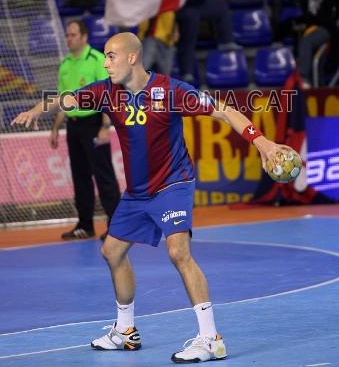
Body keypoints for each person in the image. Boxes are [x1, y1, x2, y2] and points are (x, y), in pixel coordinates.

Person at [12, 32, 287, 363]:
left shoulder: (170, 91)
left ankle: (210, 338)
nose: (105, 62)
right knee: (111, 253)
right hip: (138, 193)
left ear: (132, 58)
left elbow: (224, 111)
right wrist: (35, 109)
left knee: (178, 251)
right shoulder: (106, 92)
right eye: (105, 56)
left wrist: (263, 143)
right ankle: (125, 331)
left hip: (173, 184)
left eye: (111, 56)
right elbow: (64, 98)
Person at [50, 19, 120, 240]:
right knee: (80, 176)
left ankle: (117, 226)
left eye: (72, 35)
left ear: (84, 36)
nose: (68, 39)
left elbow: (109, 97)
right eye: (67, 35)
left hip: (94, 124)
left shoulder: (98, 60)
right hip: (74, 126)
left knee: (103, 175)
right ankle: (85, 224)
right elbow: (64, 100)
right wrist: (56, 127)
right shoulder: (65, 64)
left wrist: (104, 127)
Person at [286, 0, 337, 88]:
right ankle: (316, 86)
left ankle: (304, 78)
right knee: (317, 61)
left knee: (307, 41)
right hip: (311, 27)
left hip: (326, 28)